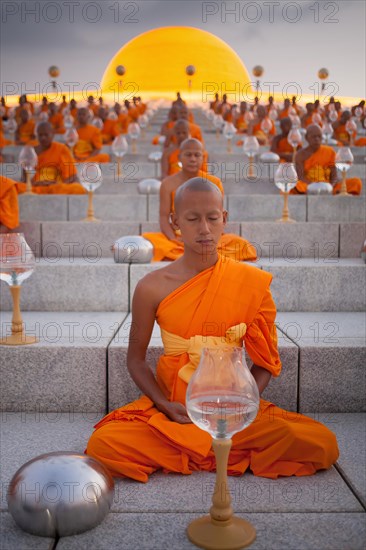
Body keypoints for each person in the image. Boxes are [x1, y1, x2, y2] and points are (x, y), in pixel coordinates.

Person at [87, 177, 339, 482]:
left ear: (225, 220)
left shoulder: (251, 283)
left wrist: (240, 408)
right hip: (176, 411)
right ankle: (211, 450)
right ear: (175, 221)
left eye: (212, 218)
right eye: (192, 219)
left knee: (321, 442)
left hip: (231, 405)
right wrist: (163, 404)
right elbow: (135, 361)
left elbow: (265, 362)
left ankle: (206, 447)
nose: (204, 229)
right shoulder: (151, 287)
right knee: (104, 444)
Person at [142, 138, 257, 262]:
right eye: (188, 155)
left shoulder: (214, 183)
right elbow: (164, 217)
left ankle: (193, 252)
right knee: (150, 241)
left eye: (197, 155)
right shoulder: (168, 184)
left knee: (242, 245)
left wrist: (210, 238)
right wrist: (172, 239)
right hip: (179, 237)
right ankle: (185, 250)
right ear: (179, 157)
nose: (193, 159)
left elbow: (217, 217)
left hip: (208, 236)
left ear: (203, 158)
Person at [17, 122, 85, 195]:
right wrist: (36, 183)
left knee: (78, 188)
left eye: (46, 135)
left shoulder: (62, 149)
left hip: (57, 186)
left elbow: (73, 176)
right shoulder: (31, 152)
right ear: (37, 136)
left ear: (53, 135)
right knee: (16, 187)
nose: (43, 138)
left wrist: (57, 184)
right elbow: (24, 180)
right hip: (37, 187)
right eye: (40, 135)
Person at [294, 125, 362, 195]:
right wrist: (314, 186)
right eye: (314, 137)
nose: (317, 139)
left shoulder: (329, 152)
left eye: (319, 136)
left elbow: (334, 176)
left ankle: (334, 191)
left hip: (327, 186)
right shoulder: (300, 155)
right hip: (308, 185)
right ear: (306, 138)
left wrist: (330, 187)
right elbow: (301, 177)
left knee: (356, 182)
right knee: (296, 184)